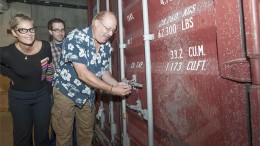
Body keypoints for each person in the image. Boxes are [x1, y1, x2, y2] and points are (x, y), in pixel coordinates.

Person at [51, 11, 132, 146]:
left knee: (87, 133)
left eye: (113, 30)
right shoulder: (76, 37)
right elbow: (82, 73)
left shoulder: (106, 45)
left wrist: (117, 84)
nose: (110, 34)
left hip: (87, 95)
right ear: (95, 23)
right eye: (108, 28)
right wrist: (112, 90)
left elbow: (104, 72)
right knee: (64, 135)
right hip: (66, 92)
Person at [0, 14, 53, 146]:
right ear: (13, 32)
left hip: (42, 96)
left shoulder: (45, 46)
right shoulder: (7, 53)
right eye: (22, 30)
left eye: (31, 29)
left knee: (42, 134)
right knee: (22, 136)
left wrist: (48, 85)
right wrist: (10, 73)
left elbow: (49, 66)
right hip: (19, 98)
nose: (29, 34)